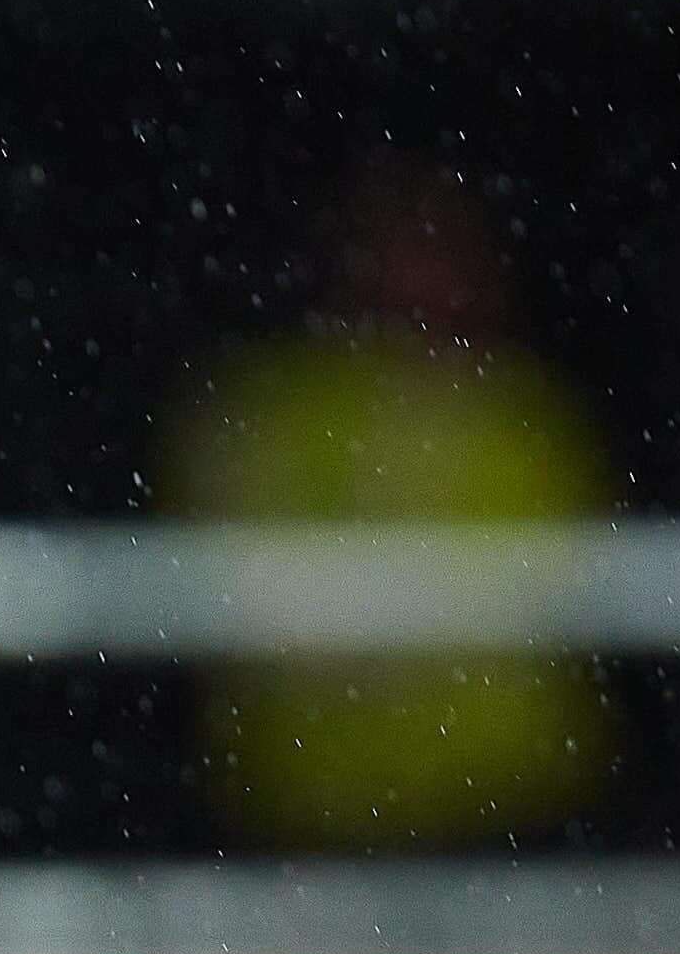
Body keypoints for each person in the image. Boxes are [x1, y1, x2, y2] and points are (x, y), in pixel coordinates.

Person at [167, 151, 613, 849]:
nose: (422, 277)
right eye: (400, 248)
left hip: (506, 810)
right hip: (308, 816)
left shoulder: (532, 419)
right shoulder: (265, 410)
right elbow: (236, 596)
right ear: (349, 262)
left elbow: (548, 615)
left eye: (444, 250)